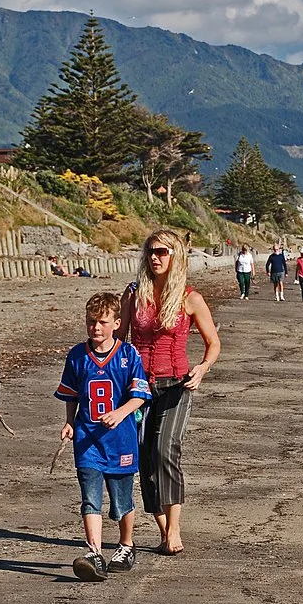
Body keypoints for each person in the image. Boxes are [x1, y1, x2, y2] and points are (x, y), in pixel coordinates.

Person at [120, 229, 222, 555]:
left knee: (166, 451)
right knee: (144, 460)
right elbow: (119, 340)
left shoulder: (190, 298)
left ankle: (175, 528)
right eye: (151, 251)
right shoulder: (134, 295)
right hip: (138, 388)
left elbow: (213, 343)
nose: (155, 257)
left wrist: (202, 369)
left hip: (177, 385)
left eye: (162, 252)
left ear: (175, 255)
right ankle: (164, 530)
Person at [55, 292, 152, 582]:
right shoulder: (77, 356)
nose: (95, 327)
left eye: (102, 322)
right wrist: (69, 422)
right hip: (87, 439)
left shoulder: (127, 355)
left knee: (121, 500)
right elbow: (70, 394)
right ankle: (94, 551)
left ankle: (126, 544)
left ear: (117, 323)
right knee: (90, 498)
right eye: (90, 322)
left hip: (120, 439)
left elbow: (140, 395)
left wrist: (121, 413)